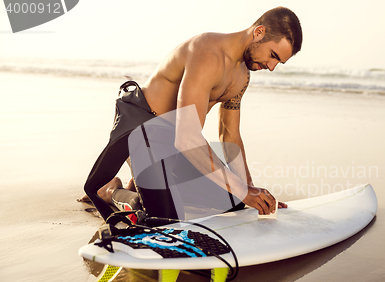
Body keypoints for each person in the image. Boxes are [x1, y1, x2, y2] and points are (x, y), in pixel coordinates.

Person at [79, 7, 302, 221]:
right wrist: (242, 190)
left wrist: (251, 192)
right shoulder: (208, 52)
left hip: (173, 145)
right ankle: (110, 191)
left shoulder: (242, 76)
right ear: (259, 32)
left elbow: (229, 135)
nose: (271, 66)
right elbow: (187, 138)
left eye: (278, 62)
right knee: (160, 218)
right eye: (273, 55)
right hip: (143, 129)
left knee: (233, 202)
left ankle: (144, 181)